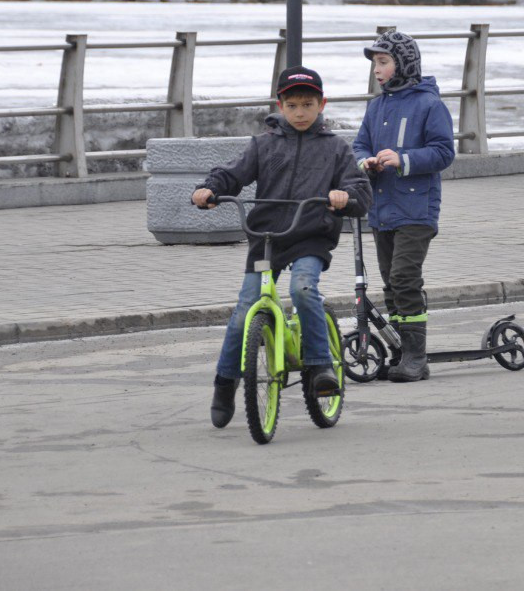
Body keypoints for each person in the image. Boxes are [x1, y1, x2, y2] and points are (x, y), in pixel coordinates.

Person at [192, 66, 372, 428]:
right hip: (267, 239)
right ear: (280, 105)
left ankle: (321, 366)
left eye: (308, 104)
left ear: (322, 104)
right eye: (292, 105)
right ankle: (225, 382)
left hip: (310, 234)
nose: (300, 112)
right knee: (244, 312)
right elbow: (232, 173)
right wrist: (210, 188)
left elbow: (359, 190)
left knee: (303, 288)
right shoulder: (264, 144)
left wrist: (345, 196)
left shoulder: (335, 148)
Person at [353, 31, 455, 382]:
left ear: (404, 64)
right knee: (390, 282)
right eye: (374, 64)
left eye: (383, 63)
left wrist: (403, 159)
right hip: (382, 210)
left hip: (416, 210)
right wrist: (365, 162)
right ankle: (400, 351)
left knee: (404, 277)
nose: (377, 71)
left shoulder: (429, 104)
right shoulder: (376, 106)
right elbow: (358, 146)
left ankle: (416, 356)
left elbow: (444, 152)